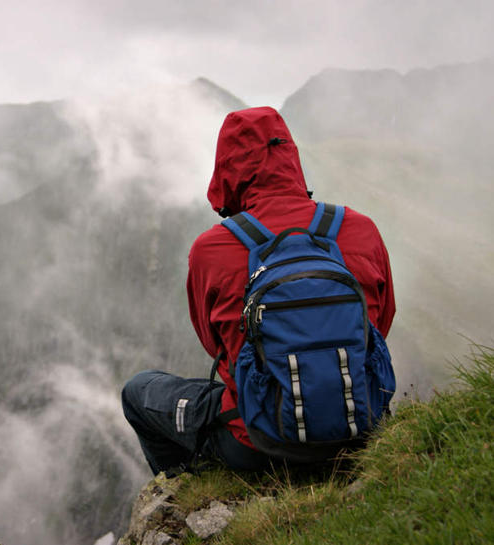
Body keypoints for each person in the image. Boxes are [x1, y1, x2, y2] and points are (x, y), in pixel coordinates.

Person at [122, 106, 395, 475]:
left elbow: (215, 344)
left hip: (258, 446)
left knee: (139, 391)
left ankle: (184, 487)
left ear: (226, 169)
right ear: (291, 158)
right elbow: (379, 325)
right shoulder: (360, 229)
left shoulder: (212, 248)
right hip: (362, 431)